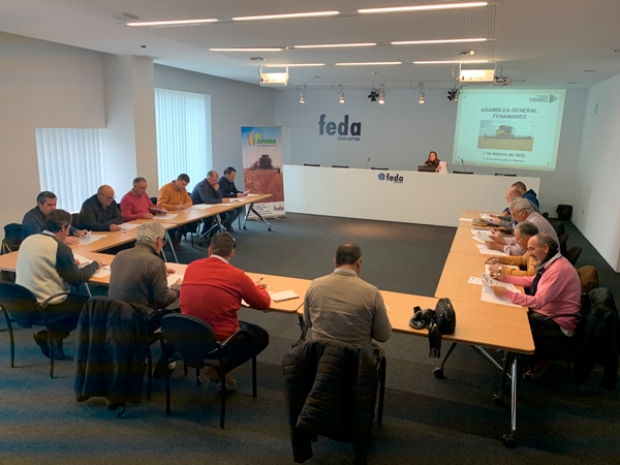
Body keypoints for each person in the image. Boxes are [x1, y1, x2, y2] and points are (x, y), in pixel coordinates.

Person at [179, 232, 270, 390]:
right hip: (218, 337)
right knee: (260, 336)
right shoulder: (237, 276)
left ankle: (216, 372)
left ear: (209, 250)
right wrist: (260, 288)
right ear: (232, 254)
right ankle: (217, 370)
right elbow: (264, 303)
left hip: (188, 333)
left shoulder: (192, 267)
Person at [490, 234, 582, 379]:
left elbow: (538, 301)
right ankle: (515, 348)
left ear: (545, 248)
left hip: (558, 321)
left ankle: (541, 358)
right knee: (513, 310)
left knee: (516, 319)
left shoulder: (558, 270)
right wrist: (505, 278)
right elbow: (532, 280)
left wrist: (506, 293)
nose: (529, 253)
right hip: (549, 311)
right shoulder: (553, 262)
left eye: (531, 249)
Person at [16, 210, 103, 359]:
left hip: (22, 302)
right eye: (69, 228)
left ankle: (52, 335)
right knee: (90, 306)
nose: (68, 232)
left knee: (79, 303)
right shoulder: (59, 248)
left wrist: (66, 262)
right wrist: (95, 265)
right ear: (63, 227)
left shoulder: (29, 240)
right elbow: (76, 279)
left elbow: (42, 262)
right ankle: (55, 335)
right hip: (46, 303)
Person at [303, 243, 392, 351]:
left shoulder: (314, 285)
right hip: (357, 361)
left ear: (335, 263)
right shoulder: (371, 292)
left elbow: (308, 323)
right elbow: (383, 336)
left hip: (320, 356)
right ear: (359, 262)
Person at [108, 221, 181, 312]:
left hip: (113, 315)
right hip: (140, 319)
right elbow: (163, 300)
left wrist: (159, 274)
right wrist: (177, 288)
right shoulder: (155, 262)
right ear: (158, 241)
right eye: (162, 241)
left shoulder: (119, 255)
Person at [486, 197, 558, 255]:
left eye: (514, 215)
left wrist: (497, 246)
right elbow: (518, 240)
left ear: (523, 212)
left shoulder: (532, 224)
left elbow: (521, 251)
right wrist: (499, 240)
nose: (513, 218)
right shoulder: (533, 217)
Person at [22, 191, 87, 244]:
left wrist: (76, 231)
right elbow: (39, 239)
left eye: (55, 204)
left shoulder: (53, 214)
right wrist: (62, 240)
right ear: (39, 203)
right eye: (49, 205)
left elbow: (63, 224)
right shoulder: (31, 218)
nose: (53, 208)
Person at [157, 174, 193, 250]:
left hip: (179, 213)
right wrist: (175, 207)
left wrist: (186, 205)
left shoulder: (183, 189)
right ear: (177, 180)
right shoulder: (166, 189)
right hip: (167, 215)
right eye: (183, 184)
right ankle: (172, 242)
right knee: (174, 227)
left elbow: (189, 201)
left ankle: (176, 241)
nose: (184, 187)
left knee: (191, 222)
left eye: (185, 185)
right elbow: (160, 205)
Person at [190, 170, 224, 239]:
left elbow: (220, 197)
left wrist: (217, 190)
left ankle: (211, 234)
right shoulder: (202, 186)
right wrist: (220, 200)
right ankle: (205, 234)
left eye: (217, 180)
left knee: (223, 215)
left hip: (207, 207)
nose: (216, 182)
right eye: (214, 180)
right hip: (196, 209)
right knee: (210, 217)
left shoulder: (213, 185)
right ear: (209, 179)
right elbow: (207, 200)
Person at [218, 167, 245, 233]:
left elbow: (235, 191)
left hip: (229, 201)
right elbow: (223, 194)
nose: (234, 178)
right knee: (233, 211)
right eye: (233, 176)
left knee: (241, 208)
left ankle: (227, 223)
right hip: (222, 202)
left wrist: (243, 193)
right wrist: (236, 195)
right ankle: (226, 223)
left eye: (234, 176)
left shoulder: (231, 182)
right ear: (227, 174)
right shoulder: (221, 182)